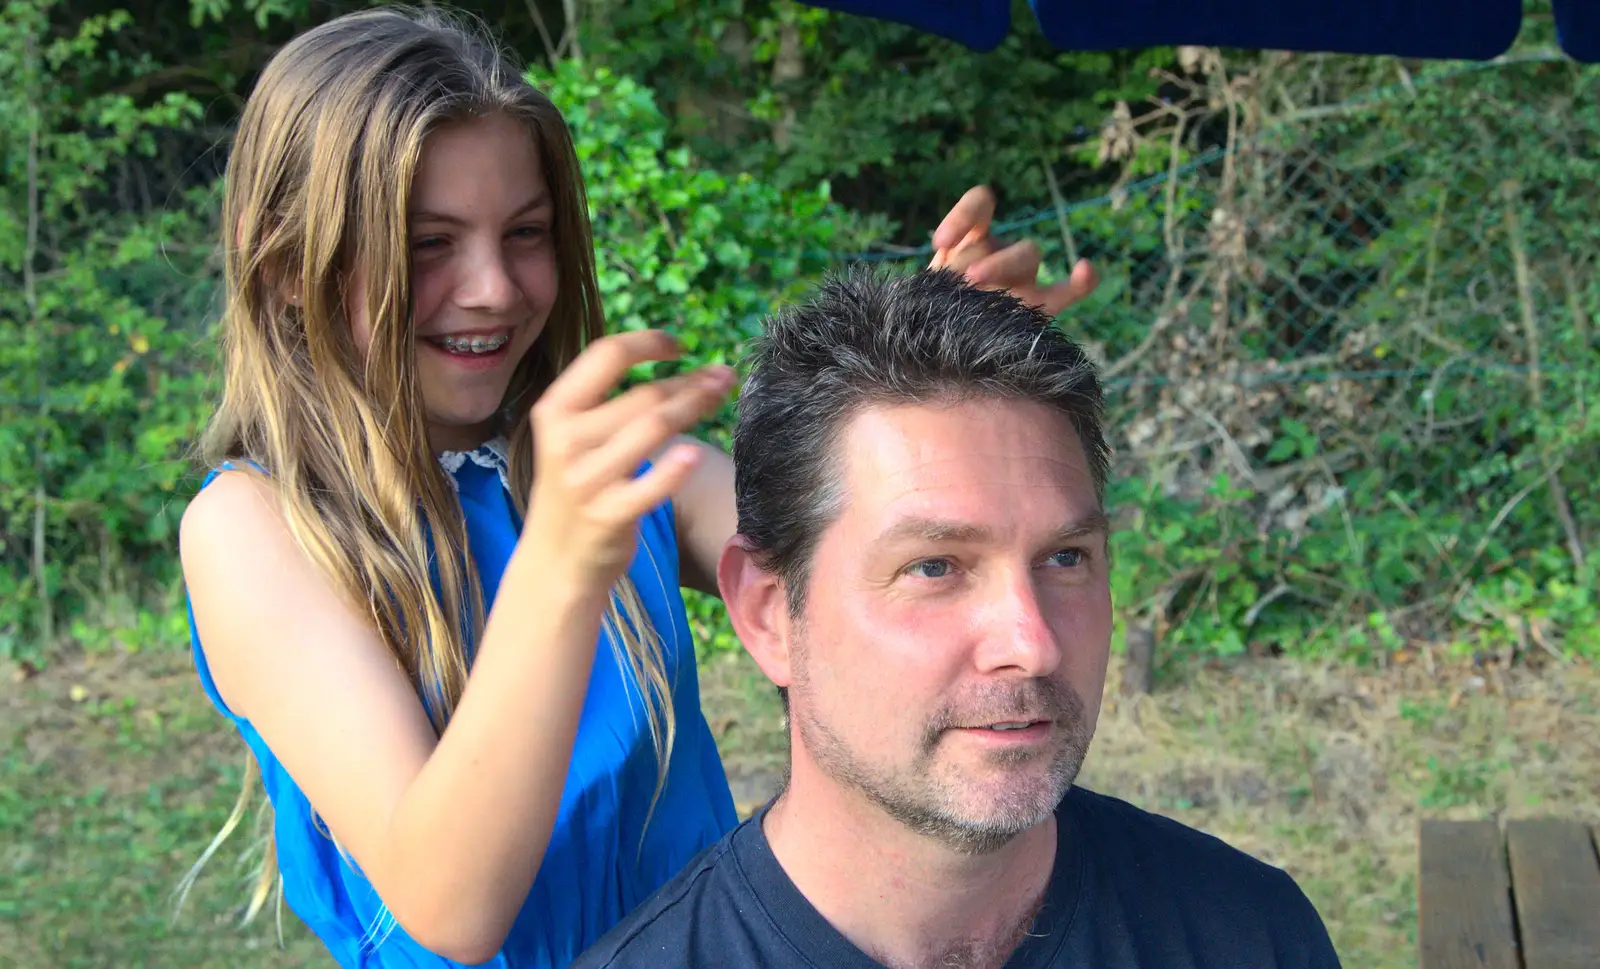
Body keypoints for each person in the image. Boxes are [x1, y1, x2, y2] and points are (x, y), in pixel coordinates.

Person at [174, 6, 1099, 968]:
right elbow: (448, 904)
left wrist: (948, 372)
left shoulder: (609, 465)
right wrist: (561, 567)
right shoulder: (253, 530)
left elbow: (861, 536)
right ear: (286, 262)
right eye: (428, 243)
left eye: (525, 232)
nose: (492, 286)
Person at [571, 267, 1343, 969]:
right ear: (769, 612)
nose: (1032, 643)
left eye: (1066, 557)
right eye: (935, 567)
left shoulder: (1252, 935)